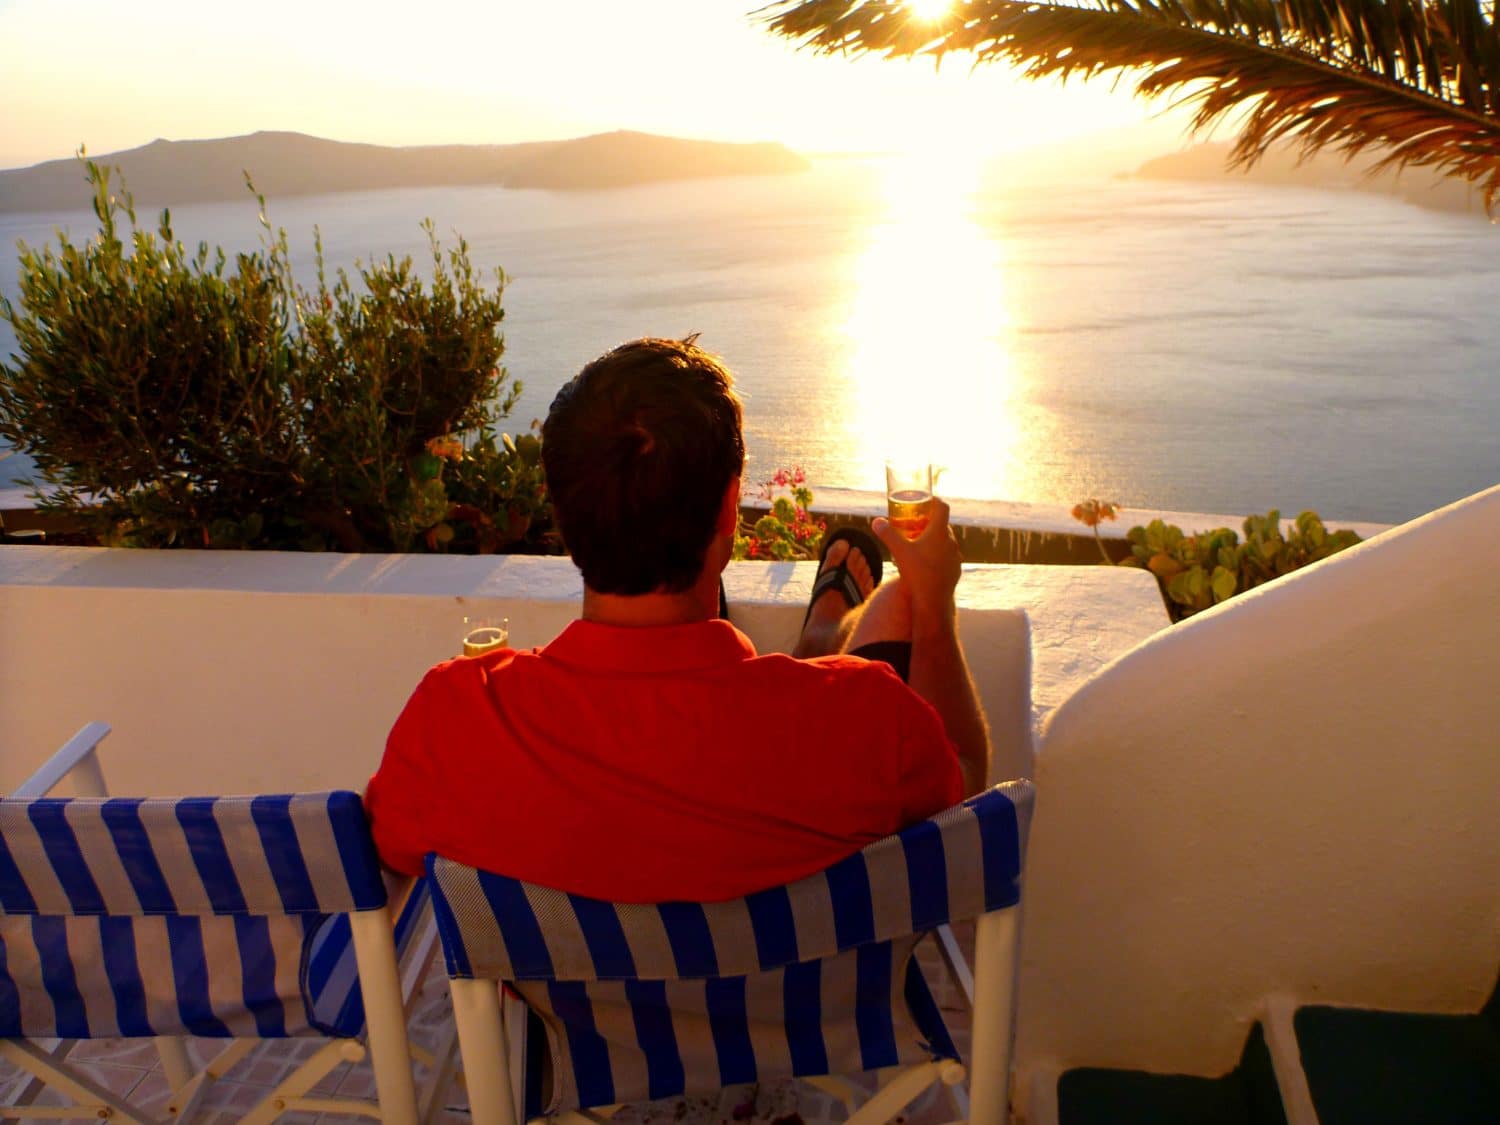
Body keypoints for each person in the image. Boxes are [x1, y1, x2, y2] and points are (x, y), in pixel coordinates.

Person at [365, 336, 991, 902]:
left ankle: (817, 638)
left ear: (561, 517)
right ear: (728, 510)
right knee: (895, 606)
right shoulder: (864, 720)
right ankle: (819, 641)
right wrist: (933, 601)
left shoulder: (457, 721)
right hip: (803, 1026)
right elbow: (962, 790)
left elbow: (389, 850)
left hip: (569, 1031)